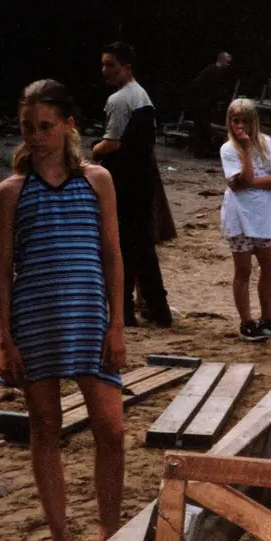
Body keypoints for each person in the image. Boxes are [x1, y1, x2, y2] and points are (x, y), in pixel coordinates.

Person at [0, 79, 126, 541]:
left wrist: (117, 325)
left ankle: (109, 530)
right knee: (45, 428)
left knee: (111, 429)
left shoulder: (97, 180)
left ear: (69, 125)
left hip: (90, 320)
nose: (36, 136)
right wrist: (5, 341)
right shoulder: (12, 191)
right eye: (28, 127)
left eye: (46, 126)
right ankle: (60, 540)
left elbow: (112, 255)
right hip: (35, 323)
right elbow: (2, 272)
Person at [92, 41, 172, 327]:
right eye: (103, 64)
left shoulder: (118, 100)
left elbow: (111, 144)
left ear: (126, 67)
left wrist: (93, 150)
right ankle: (157, 308)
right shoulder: (142, 95)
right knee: (142, 247)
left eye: (110, 65)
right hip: (144, 179)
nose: (105, 70)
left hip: (123, 182)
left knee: (123, 246)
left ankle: (125, 311)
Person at [220, 98, 271, 343]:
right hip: (239, 216)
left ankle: (268, 318)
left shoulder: (266, 142)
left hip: (262, 214)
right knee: (243, 269)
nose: (240, 126)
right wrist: (246, 150)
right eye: (236, 121)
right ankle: (247, 322)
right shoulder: (229, 149)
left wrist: (252, 182)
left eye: (245, 121)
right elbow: (242, 180)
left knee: (270, 267)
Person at [187, 51, 234, 157]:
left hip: (208, 105)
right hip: (202, 104)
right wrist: (202, 99)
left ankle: (203, 151)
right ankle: (199, 152)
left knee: (204, 127)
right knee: (201, 127)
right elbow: (197, 85)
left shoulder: (220, 72)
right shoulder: (210, 70)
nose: (228, 65)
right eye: (227, 62)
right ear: (222, 60)